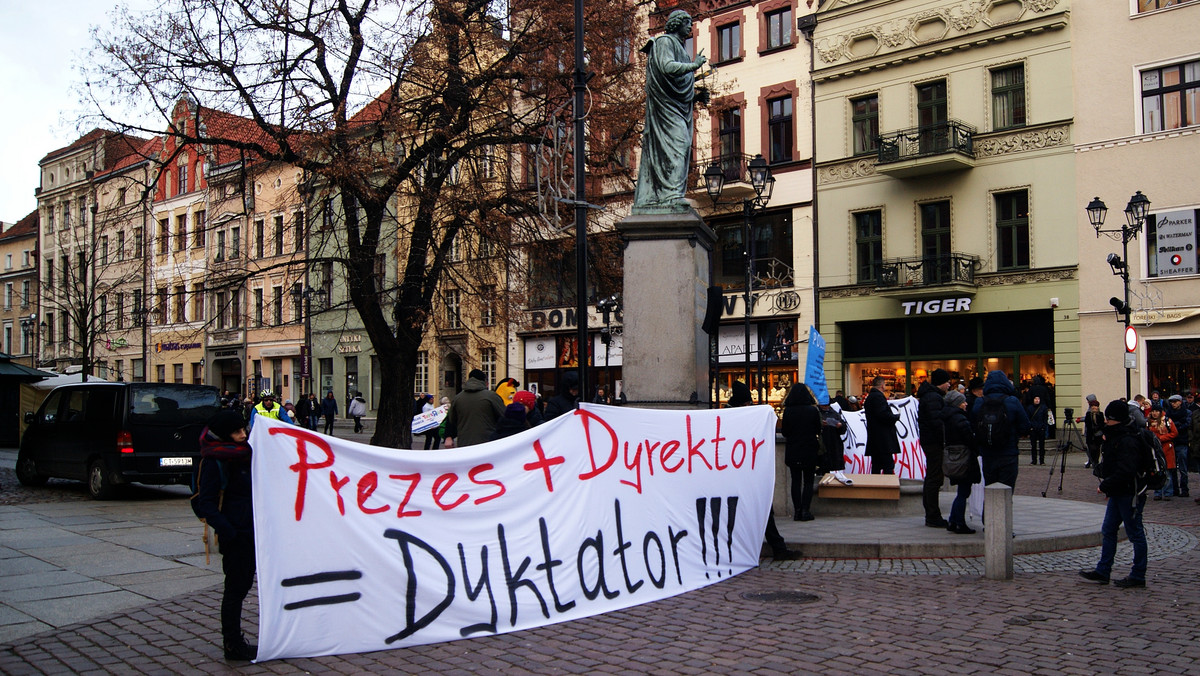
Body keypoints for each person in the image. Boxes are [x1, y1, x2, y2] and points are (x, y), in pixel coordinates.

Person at [190, 410, 257, 661]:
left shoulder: (245, 454)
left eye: (244, 429)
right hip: (235, 533)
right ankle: (232, 643)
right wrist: (228, 530)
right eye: (237, 431)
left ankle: (234, 641)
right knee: (235, 588)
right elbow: (205, 503)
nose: (243, 435)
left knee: (244, 584)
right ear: (223, 434)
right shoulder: (213, 460)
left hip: (251, 529)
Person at [632, 9, 708, 212]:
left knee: (681, 147)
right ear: (676, 24)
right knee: (679, 143)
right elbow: (666, 67)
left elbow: (677, 86)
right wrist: (693, 65)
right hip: (665, 110)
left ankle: (671, 195)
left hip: (675, 107)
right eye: (687, 22)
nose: (690, 27)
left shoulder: (681, 49)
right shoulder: (665, 42)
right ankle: (671, 195)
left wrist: (696, 96)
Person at [1079, 400, 1148, 588]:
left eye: (1109, 419)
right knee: (1108, 530)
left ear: (1116, 420)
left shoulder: (1128, 439)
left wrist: (1106, 485)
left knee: (1135, 533)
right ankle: (1103, 570)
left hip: (1129, 492)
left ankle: (1138, 574)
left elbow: (1126, 470)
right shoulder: (1116, 435)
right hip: (1119, 492)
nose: (1106, 422)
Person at [726, 380, 793, 559]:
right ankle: (777, 547)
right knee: (761, 509)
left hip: (744, 471)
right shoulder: (732, 417)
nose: (750, 405)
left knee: (762, 509)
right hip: (740, 473)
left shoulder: (732, 415)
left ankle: (777, 547)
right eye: (748, 403)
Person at [970, 370, 1031, 489]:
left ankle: (990, 507)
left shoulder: (979, 402)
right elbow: (1025, 426)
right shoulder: (1012, 401)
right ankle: (1003, 507)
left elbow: (973, 425)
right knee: (1006, 489)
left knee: (990, 487)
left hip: (987, 452)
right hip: (1008, 452)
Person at [916, 368, 951, 528]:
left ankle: (932, 513)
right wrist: (944, 439)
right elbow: (937, 422)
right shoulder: (933, 398)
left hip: (930, 440)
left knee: (933, 476)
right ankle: (932, 514)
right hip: (933, 442)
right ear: (941, 383)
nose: (949, 385)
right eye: (947, 382)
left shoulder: (931, 396)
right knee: (934, 477)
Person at [782, 384, 822, 521]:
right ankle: (806, 510)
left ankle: (797, 511)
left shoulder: (788, 411)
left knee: (796, 481)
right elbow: (818, 429)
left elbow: (785, 432)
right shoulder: (812, 411)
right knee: (808, 481)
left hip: (793, 449)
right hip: (809, 448)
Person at [942, 390, 980, 534]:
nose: (966, 404)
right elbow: (969, 439)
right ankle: (959, 522)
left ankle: (953, 520)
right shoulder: (960, 419)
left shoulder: (947, 417)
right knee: (964, 491)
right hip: (963, 457)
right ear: (957, 404)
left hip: (953, 457)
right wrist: (976, 449)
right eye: (963, 402)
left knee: (961, 491)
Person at [446, 369, 506, 447]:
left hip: (464, 444)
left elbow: (451, 420)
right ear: (485, 382)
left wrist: (448, 436)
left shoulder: (458, 398)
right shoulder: (491, 396)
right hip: (488, 443)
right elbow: (505, 417)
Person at [864, 376, 900, 474]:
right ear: (882, 385)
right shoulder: (878, 397)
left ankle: (876, 487)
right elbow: (883, 415)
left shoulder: (870, 397)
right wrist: (895, 417)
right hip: (883, 438)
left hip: (875, 437)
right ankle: (887, 487)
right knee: (887, 465)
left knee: (876, 465)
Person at [1147, 408, 1177, 501]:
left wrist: (1161, 438)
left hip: (1166, 448)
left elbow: (1174, 433)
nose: (1155, 413)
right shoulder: (1148, 422)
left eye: (1157, 411)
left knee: (1167, 472)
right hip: (1154, 450)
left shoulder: (1167, 421)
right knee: (1157, 471)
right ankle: (1158, 492)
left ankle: (1168, 492)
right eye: (1153, 411)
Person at [1164, 394, 1191, 497]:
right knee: (1172, 467)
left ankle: (1184, 489)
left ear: (1180, 402)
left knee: (1183, 468)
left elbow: (1187, 424)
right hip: (1172, 442)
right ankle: (1175, 489)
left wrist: (1175, 426)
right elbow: (1167, 426)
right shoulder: (1168, 413)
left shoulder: (1187, 412)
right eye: (1171, 402)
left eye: (1175, 402)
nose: (1173, 404)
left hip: (1182, 442)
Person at [1082, 395, 1105, 470]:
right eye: (1093, 406)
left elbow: (1101, 424)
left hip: (1098, 435)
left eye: (1096, 406)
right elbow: (1088, 424)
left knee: (1097, 449)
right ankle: (1092, 461)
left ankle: (1095, 462)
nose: (1094, 408)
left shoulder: (1100, 414)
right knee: (1091, 449)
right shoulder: (1089, 414)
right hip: (1091, 435)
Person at [1026, 395, 1048, 465]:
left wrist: (1043, 427)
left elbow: (1045, 418)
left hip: (1041, 428)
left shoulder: (1043, 408)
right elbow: (1028, 418)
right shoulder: (1030, 408)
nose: (1037, 400)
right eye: (1035, 399)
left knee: (1042, 446)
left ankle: (1042, 460)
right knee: (1033, 446)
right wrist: (1030, 427)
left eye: (1038, 399)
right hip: (1033, 428)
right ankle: (1034, 460)